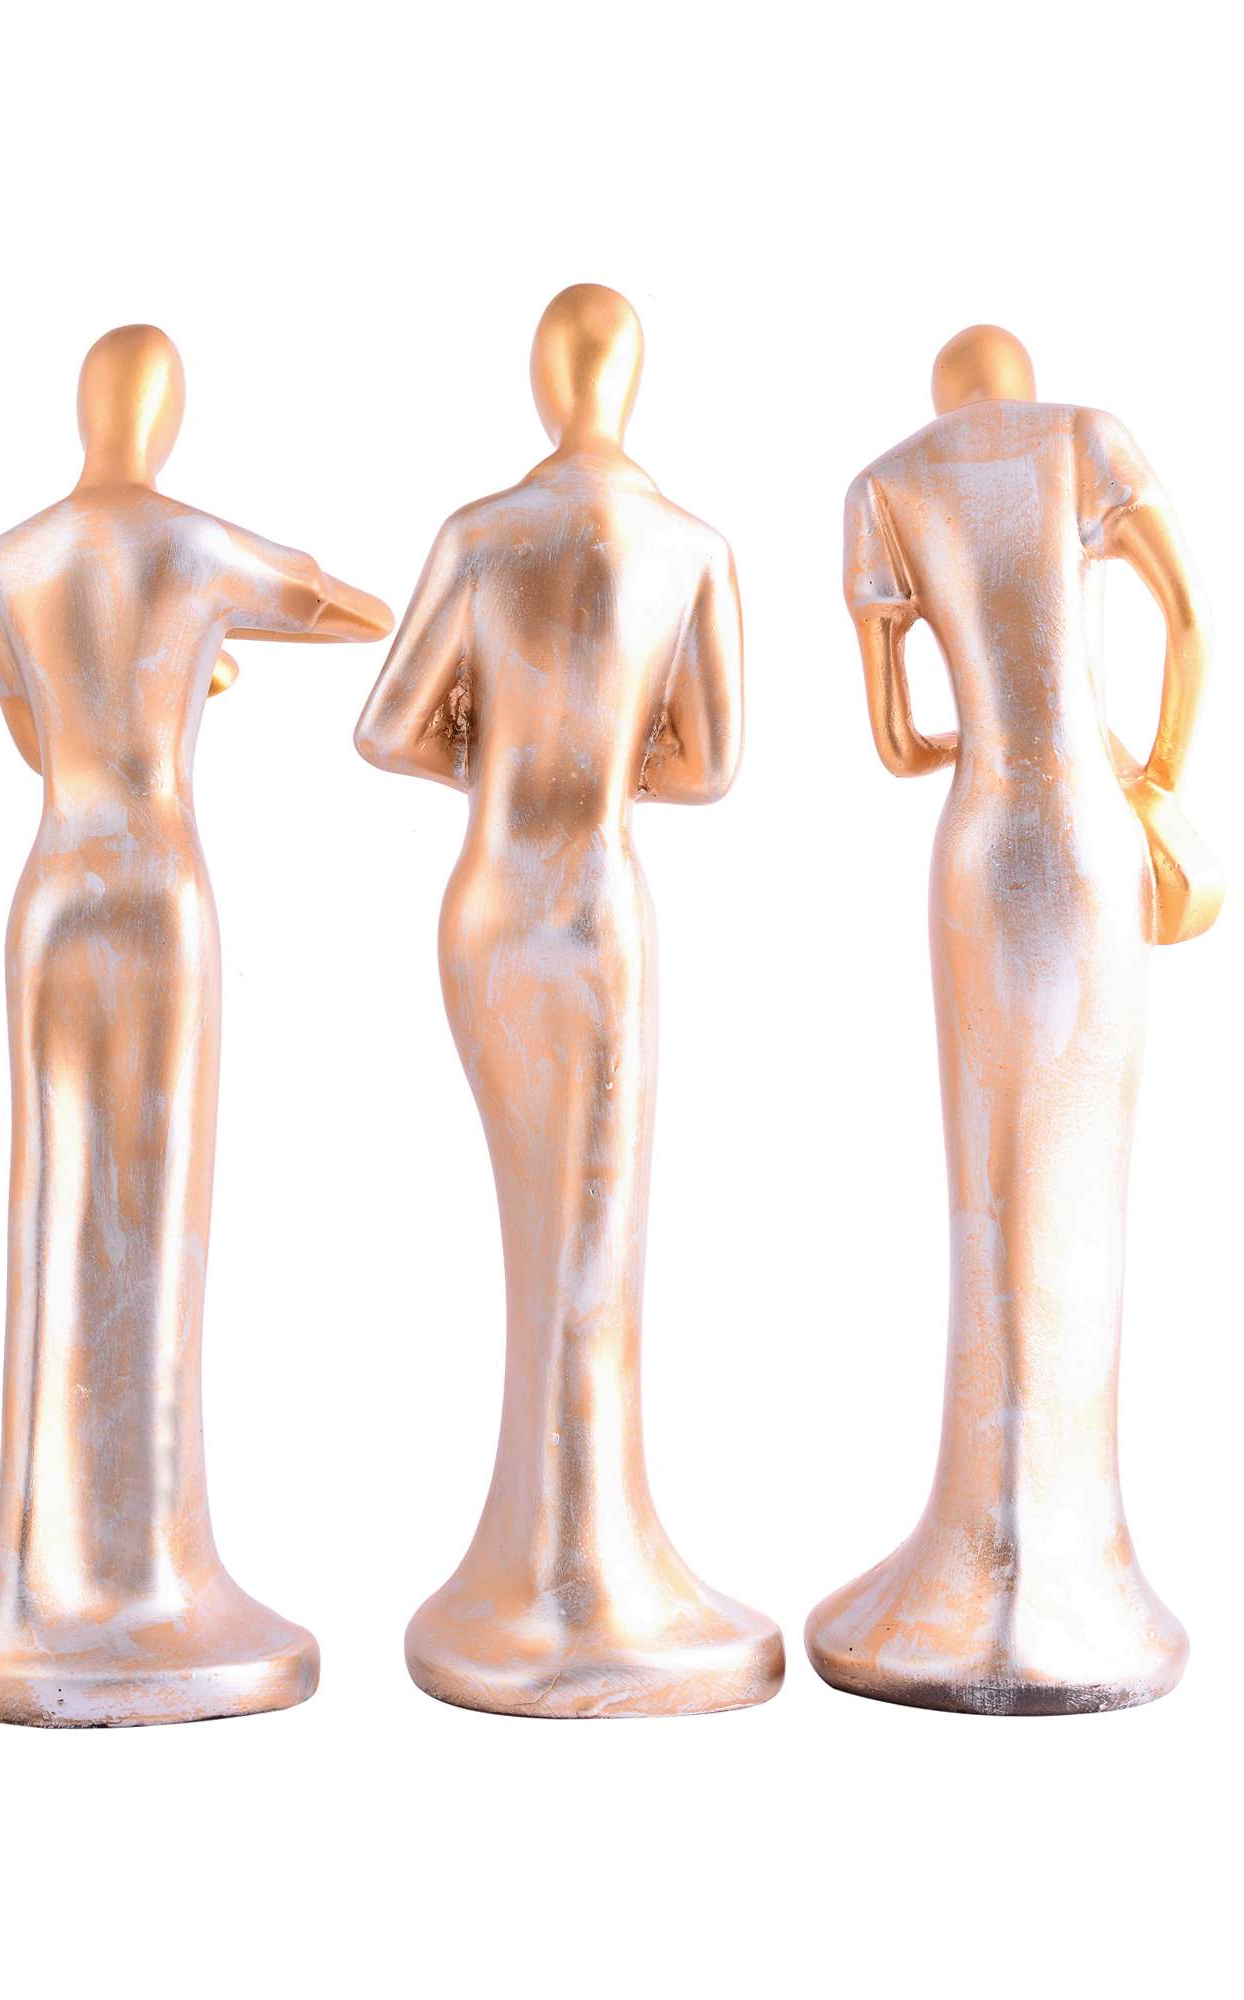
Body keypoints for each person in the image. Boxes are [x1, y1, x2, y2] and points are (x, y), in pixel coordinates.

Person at [0, 324, 391, 1725]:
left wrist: (173, 663)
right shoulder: (197, 543)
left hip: (52, 882)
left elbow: (29, 723)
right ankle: (144, 1566)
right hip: (156, 883)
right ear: (165, 419)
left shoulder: (7, 562)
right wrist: (207, 652)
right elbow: (350, 610)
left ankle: (50, 1570)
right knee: (157, 1202)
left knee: (57, 1197)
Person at [355, 284, 781, 1717]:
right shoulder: (692, 545)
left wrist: (495, 756)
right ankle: (586, 1571)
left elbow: (386, 729)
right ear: (630, 386)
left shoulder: (481, 534)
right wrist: (607, 754)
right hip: (595, 903)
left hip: (487, 902)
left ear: (546, 388)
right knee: (592, 1244)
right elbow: (711, 766)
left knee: (543, 1233)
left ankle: (533, 1567)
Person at [807, 325, 1210, 1712]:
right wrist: (1153, 778)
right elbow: (1191, 623)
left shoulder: (886, 487)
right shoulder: (1087, 438)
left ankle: (979, 1558)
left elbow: (895, 741)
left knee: (993, 1179)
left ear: (942, 394)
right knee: (1087, 1177)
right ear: (1020, 376)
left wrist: (972, 739)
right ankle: (1079, 1569)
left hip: (980, 838)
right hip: (1093, 836)